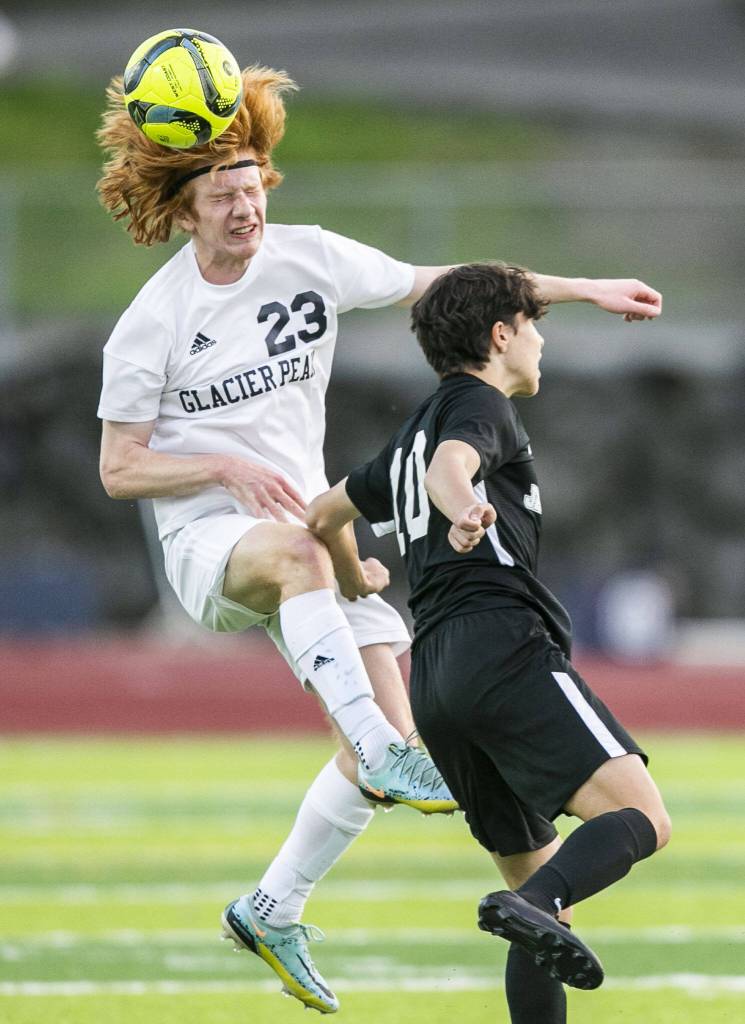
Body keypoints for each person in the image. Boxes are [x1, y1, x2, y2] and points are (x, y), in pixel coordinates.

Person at [96, 55, 663, 1015]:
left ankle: (273, 907)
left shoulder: (308, 255)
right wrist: (221, 467)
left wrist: (581, 287)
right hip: (212, 544)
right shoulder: (152, 323)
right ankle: (381, 747)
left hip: (303, 534)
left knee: (385, 747)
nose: (246, 209)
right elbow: (118, 470)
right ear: (183, 211)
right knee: (311, 564)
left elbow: (454, 286)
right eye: (223, 197)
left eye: (251, 189)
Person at [305, 262, 671, 1022]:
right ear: (500, 336)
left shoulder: (411, 430)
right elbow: (451, 467)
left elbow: (323, 512)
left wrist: (355, 574)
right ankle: (537, 901)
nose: (539, 343)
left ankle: (535, 905)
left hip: (434, 683)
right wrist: (466, 507)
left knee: (538, 913)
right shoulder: (481, 407)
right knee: (639, 820)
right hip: (501, 648)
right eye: (530, 327)